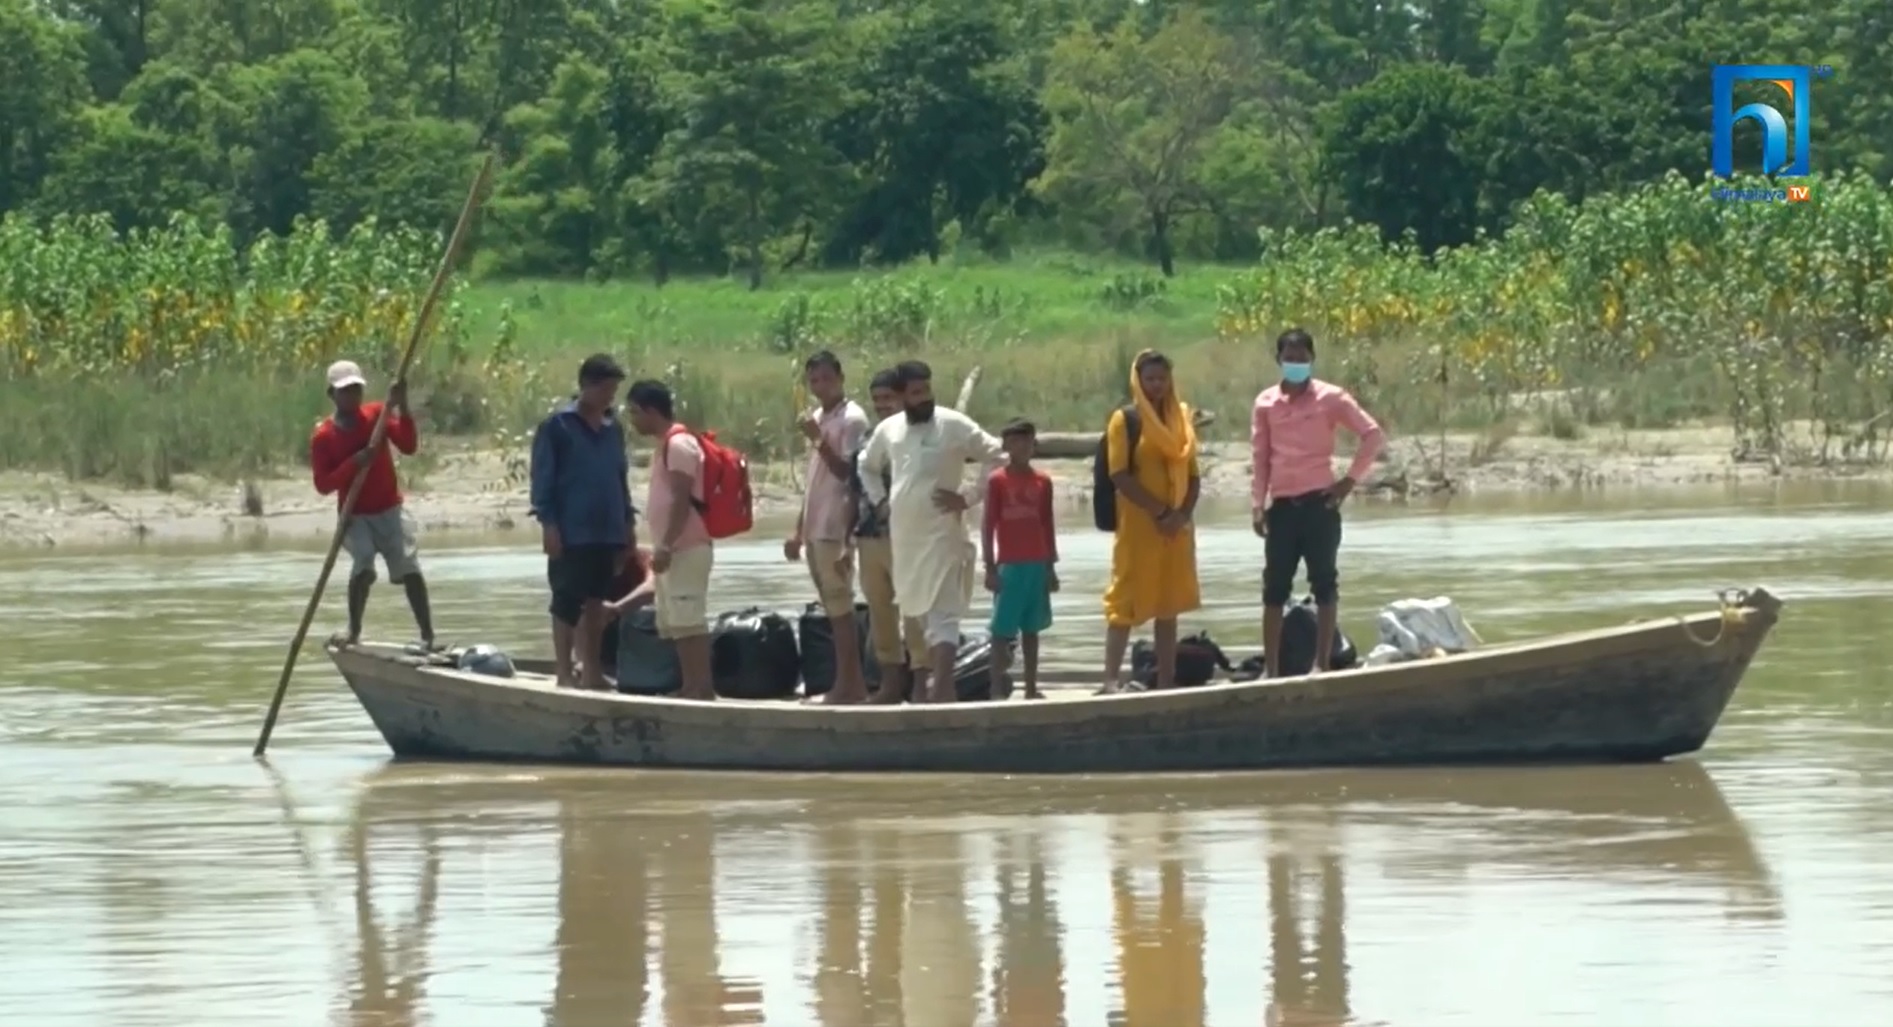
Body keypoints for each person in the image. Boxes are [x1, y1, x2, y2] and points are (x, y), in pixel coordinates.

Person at [859, 360, 1005, 703]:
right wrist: (881, 502)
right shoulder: (890, 429)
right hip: (905, 538)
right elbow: (866, 466)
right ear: (900, 396)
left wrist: (968, 497)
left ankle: (942, 689)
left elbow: (996, 454)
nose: (923, 397)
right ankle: (925, 687)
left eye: (926, 389)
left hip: (943, 532)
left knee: (944, 611)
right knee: (914, 610)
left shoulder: (953, 423)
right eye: (915, 392)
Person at [1252, 328, 1384, 676]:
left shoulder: (1331, 398)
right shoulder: (1265, 403)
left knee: (1324, 583)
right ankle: (1272, 669)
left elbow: (1372, 434)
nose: (1295, 363)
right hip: (1281, 507)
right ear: (1278, 360)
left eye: (1302, 358)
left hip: (1319, 505)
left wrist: (1348, 481)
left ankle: (1321, 663)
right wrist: (1256, 504)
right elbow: (1261, 456)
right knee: (1274, 590)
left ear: (1312, 359)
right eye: (1289, 358)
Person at [310, 359, 435, 648]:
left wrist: (401, 405)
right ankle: (354, 631)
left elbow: (408, 445)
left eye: (356, 390)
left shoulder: (378, 414)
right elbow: (323, 484)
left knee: (409, 568)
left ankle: (428, 636)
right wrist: (354, 463)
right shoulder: (324, 436)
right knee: (364, 565)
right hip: (356, 516)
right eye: (346, 391)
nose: (353, 396)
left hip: (389, 508)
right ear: (332, 395)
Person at [529, 354, 636, 690]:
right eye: (606, 388)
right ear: (587, 386)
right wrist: (549, 524)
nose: (610, 396)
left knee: (595, 602)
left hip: (607, 528)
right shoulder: (557, 426)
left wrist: (627, 524)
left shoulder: (612, 428)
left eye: (614, 390)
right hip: (571, 530)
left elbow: (620, 478)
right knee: (565, 601)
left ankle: (591, 671)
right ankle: (564, 672)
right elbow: (542, 479)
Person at [1099, 350, 1202, 693]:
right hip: (1140, 527)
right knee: (1124, 601)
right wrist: (1160, 512)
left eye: (1162, 378)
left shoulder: (1181, 418)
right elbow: (1120, 475)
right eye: (1150, 379)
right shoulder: (1125, 420)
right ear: (1138, 381)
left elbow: (1194, 476)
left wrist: (1181, 515)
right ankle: (1111, 680)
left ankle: (1166, 680)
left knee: (1169, 604)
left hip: (1177, 529)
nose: (1157, 385)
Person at [785, 351, 873, 704]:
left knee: (840, 606)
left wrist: (819, 440)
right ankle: (848, 683)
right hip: (815, 524)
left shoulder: (852, 419)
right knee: (832, 606)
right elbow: (813, 480)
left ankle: (849, 685)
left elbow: (848, 474)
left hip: (836, 523)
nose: (820, 386)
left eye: (826, 378)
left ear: (840, 377)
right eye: (814, 380)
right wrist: (797, 530)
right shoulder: (820, 417)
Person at [625, 379, 717, 701]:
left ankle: (701, 687)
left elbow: (681, 499)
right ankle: (691, 685)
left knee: (689, 617)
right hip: (675, 549)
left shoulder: (679, 445)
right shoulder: (667, 444)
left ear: (652, 411)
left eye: (635, 412)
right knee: (678, 622)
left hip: (686, 548)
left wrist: (665, 544)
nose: (633, 420)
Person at [852, 369, 930, 704]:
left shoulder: (917, 435)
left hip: (907, 537)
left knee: (915, 611)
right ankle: (890, 685)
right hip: (869, 536)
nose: (883, 406)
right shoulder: (869, 439)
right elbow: (853, 490)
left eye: (888, 399)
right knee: (880, 612)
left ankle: (921, 683)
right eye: (878, 400)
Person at [982, 419, 1058, 700]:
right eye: (1015, 442)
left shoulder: (1043, 481)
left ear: (1034, 445)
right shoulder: (997, 480)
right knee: (1001, 632)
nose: (1022, 447)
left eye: (1027, 441)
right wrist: (990, 567)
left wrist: (1051, 566)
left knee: (1032, 628)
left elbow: (1047, 524)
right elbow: (988, 525)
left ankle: (1030, 687)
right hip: (1009, 565)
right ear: (1006, 446)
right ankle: (995, 688)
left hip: (1037, 562)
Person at [596, 545, 654, 676]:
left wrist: (617, 608)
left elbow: (653, 587)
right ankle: (585, 663)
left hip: (636, 625)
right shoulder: (594, 559)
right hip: (602, 626)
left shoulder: (645, 557)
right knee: (584, 611)